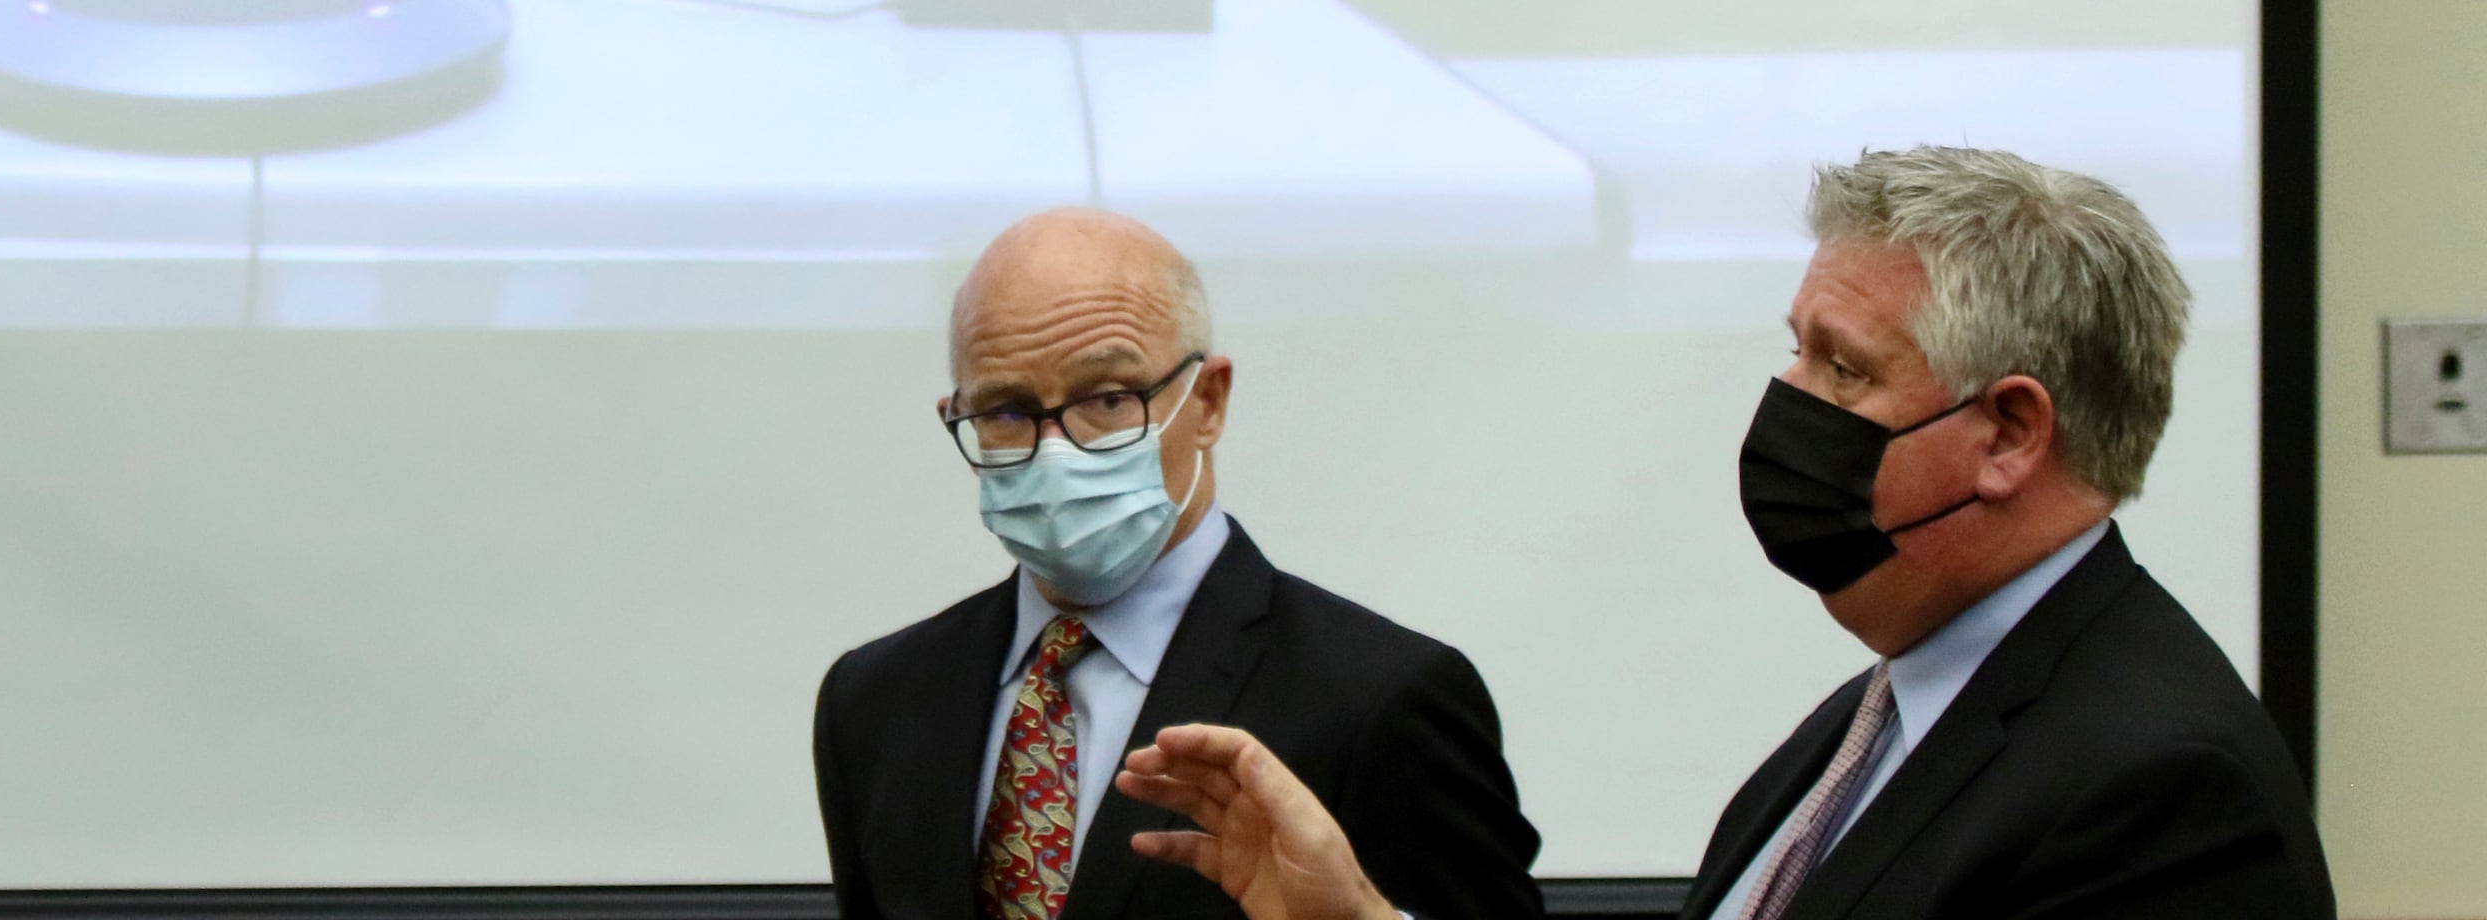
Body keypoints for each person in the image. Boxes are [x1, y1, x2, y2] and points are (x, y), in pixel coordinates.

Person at [1112, 147, 2337, 920]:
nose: (1789, 403)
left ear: (2011, 433)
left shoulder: (2160, 790)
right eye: (1796, 351)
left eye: (1844, 370)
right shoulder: (1877, 721)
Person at [812, 209, 1541, 920]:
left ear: (1209, 401)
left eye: (1108, 398)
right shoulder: (875, 700)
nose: (1055, 451)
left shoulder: (1382, 698)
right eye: (1005, 411)